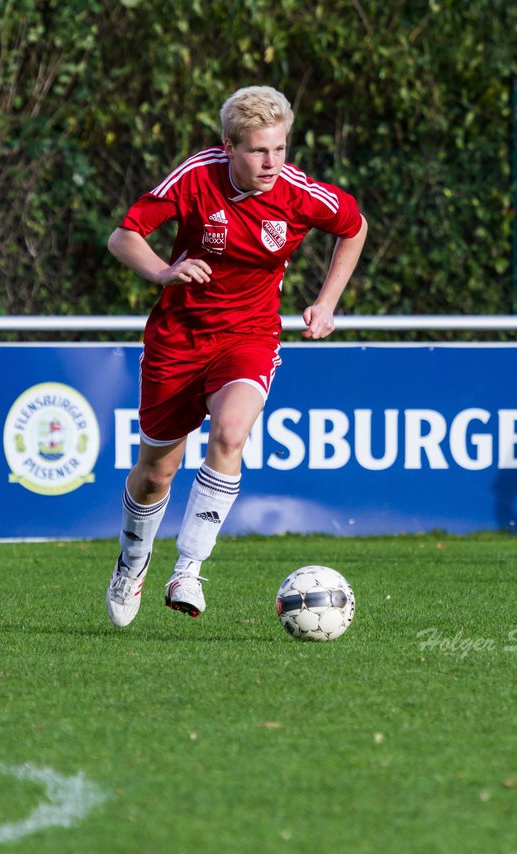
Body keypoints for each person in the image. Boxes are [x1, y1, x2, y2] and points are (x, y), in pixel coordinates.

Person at [105, 85, 367, 627]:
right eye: (257, 150)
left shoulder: (299, 193)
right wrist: (162, 270)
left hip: (249, 335)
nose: (272, 163)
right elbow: (123, 236)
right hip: (178, 337)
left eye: (280, 148)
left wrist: (327, 302)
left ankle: (189, 569)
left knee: (230, 435)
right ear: (228, 146)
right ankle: (132, 563)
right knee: (158, 472)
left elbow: (354, 226)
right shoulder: (197, 175)